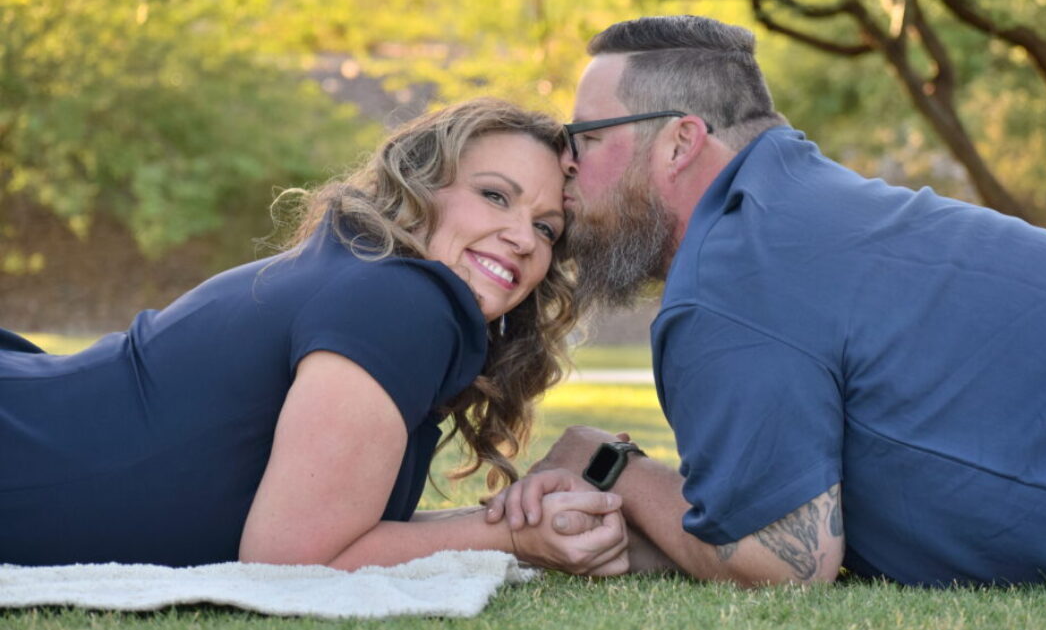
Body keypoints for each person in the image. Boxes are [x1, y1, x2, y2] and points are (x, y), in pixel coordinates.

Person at [487, 16, 1046, 589]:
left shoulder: (734, 273)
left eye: (587, 137)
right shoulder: (791, 203)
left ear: (680, 142)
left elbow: (783, 560)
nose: (567, 164)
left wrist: (603, 460)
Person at [0, 98, 628, 575]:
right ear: (416, 191)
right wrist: (515, 540)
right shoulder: (402, 301)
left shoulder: (376, 281)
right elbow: (293, 560)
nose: (523, 238)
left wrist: (512, 519)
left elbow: (339, 528)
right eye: (495, 196)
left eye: (547, 229)